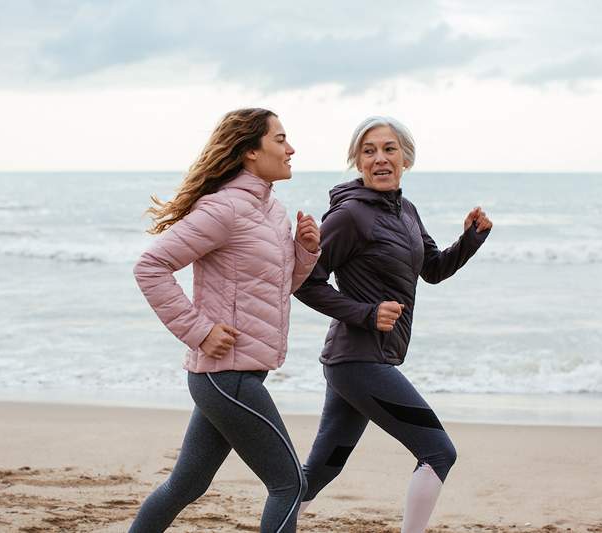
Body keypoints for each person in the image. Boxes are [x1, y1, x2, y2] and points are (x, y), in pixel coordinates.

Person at [294, 116, 492, 533]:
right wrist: (366, 313)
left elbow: (433, 269)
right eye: (369, 151)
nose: (380, 159)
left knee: (322, 468)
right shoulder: (349, 216)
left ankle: (278, 524)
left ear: (405, 158)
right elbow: (304, 282)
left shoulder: (407, 211)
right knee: (439, 452)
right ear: (357, 161)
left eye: (389, 149)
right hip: (358, 361)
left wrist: (470, 239)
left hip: (364, 361)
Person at [129, 108, 320, 533]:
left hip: (238, 374)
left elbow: (274, 290)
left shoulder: (273, 212)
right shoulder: (224, 210)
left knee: (187, 483)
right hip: (226, 376)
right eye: (280, 139)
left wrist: (306, 252)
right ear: (251, 152)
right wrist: (198, 331)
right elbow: (151, 266)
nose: (291, 149)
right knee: (289, 484)